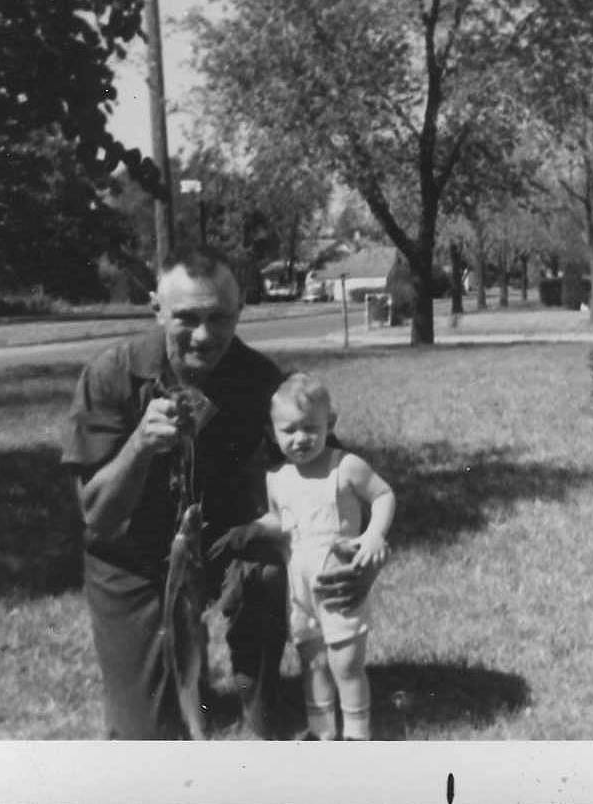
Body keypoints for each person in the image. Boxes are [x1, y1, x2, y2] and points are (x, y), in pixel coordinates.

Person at [61, 246, 375, 740]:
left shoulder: (259, 379)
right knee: (147, 735)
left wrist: (363, 553)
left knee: (266, 568)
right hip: (132, 561)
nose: (205, 335)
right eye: (187, 318)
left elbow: (335, 478)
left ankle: (260, 702)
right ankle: (179, 671)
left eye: (219, 318)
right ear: (157, 309)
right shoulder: (112, 375)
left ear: (239, 310)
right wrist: (139, 444)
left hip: (222, 545)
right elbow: (97, 515)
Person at [215, 372, 395, 741]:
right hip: (299, 589)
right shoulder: (278, 477)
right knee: (313, 662)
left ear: (331, 423)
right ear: (272, 432)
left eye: (311, 428)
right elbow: (282, 520)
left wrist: (373, 534)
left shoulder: (344, 466)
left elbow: (383, 495)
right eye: (289, 430)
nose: (300, 438)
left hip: (338, 581)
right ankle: (321, 730)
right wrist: (252, 529)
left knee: (345, 663)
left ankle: (356, 733)